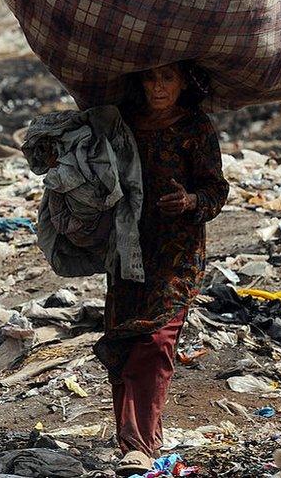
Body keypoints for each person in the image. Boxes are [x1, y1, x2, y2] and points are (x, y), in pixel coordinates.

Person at [95, 62, 229, 476]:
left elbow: (215, 189)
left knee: (156, 340)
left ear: (183, 82)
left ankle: (140, 446)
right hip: (127, 252)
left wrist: (190, 202)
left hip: (176, 255)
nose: (158, 87)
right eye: (151, 78)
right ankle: (132, 442)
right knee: (125, 340)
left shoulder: (195, 128)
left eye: (167, 78)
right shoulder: (123, 124)